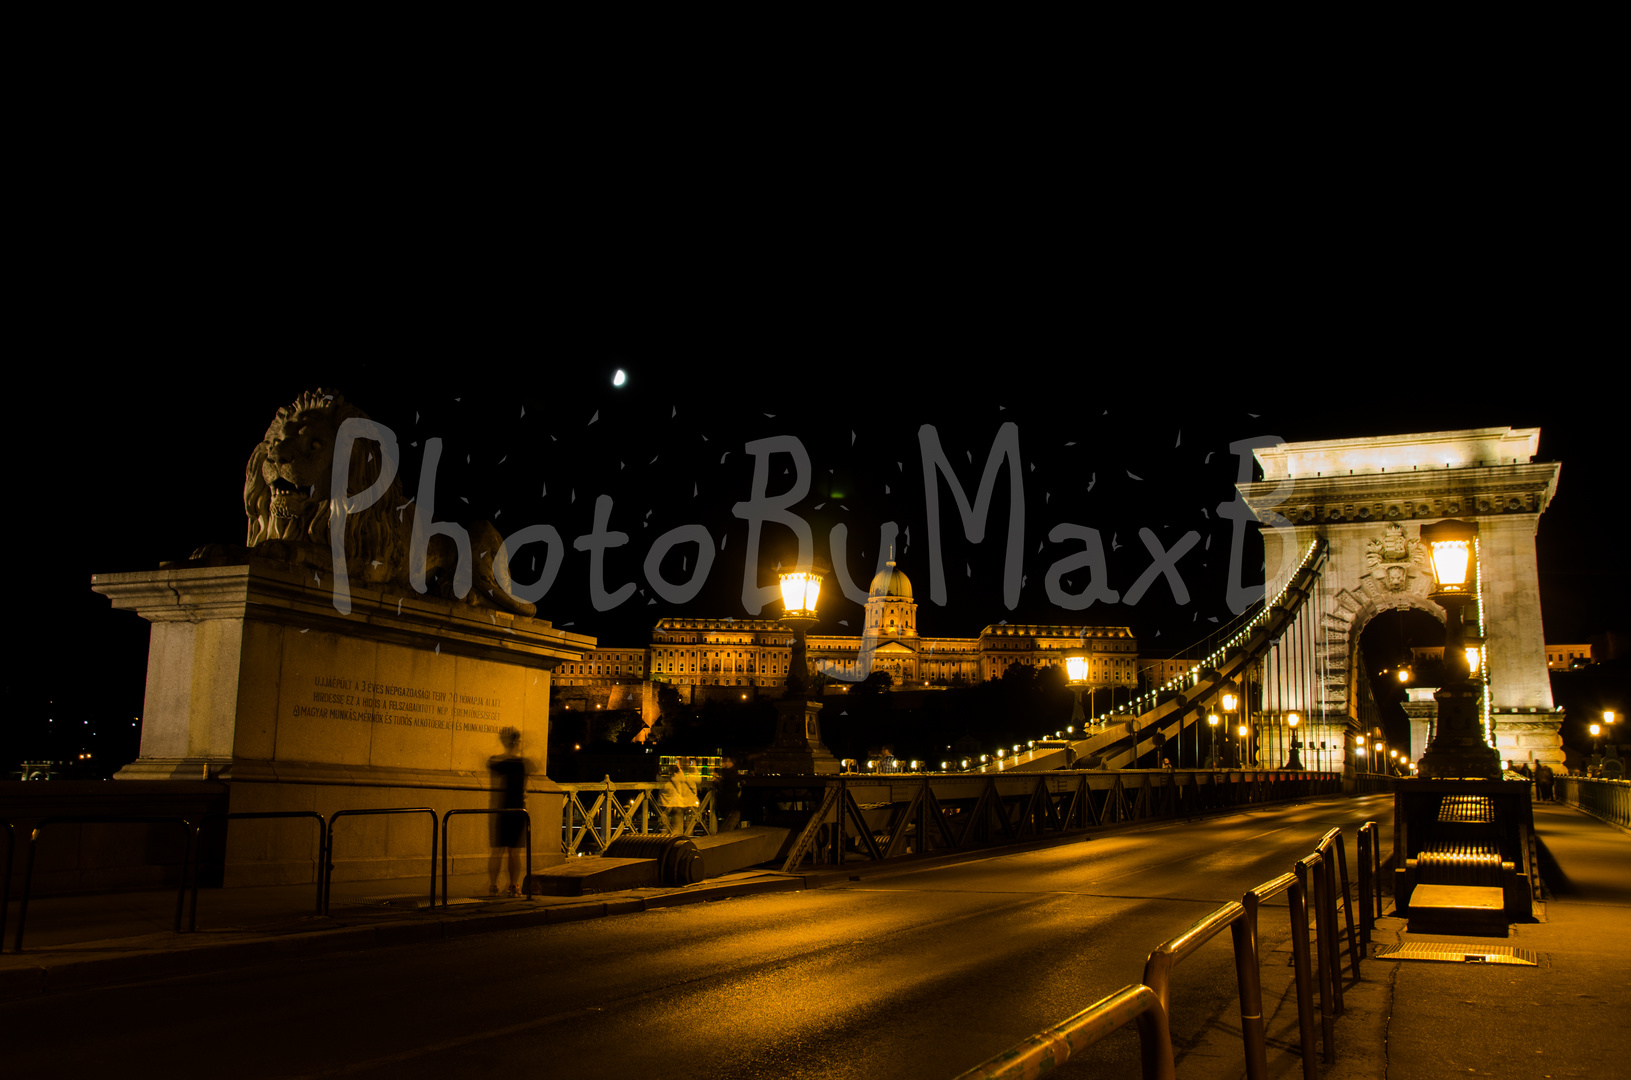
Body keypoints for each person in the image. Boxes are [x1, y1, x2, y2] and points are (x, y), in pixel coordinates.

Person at [488, 727, 529, 897]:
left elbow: (492, 765)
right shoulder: (520, 764)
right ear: (515, 743)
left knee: (498, 851)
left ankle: (493, 885)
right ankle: (513, 885)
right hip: (518, 809)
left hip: (502, 808)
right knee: (514, 852)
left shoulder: (499, 763)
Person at [714, 756, 743, 832]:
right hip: (731, 798)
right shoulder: (733, 772)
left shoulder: (729, 773)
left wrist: (718, 781)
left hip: (728, 798)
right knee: (729, 817)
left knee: (727, 817)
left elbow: (726, 784)